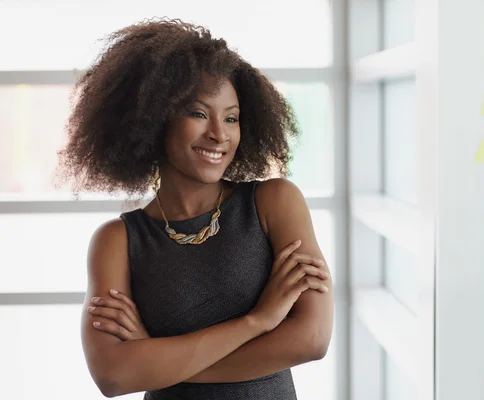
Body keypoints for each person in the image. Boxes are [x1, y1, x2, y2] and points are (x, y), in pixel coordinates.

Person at [56, 19, 334, 399]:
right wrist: (259, 321)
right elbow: (115, 376)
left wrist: (158, 364)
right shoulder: (117, 241)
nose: (219, 134)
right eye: (199, 114)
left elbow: (312, 339)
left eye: (231, 118)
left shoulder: (273, 202)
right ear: (154, 120)